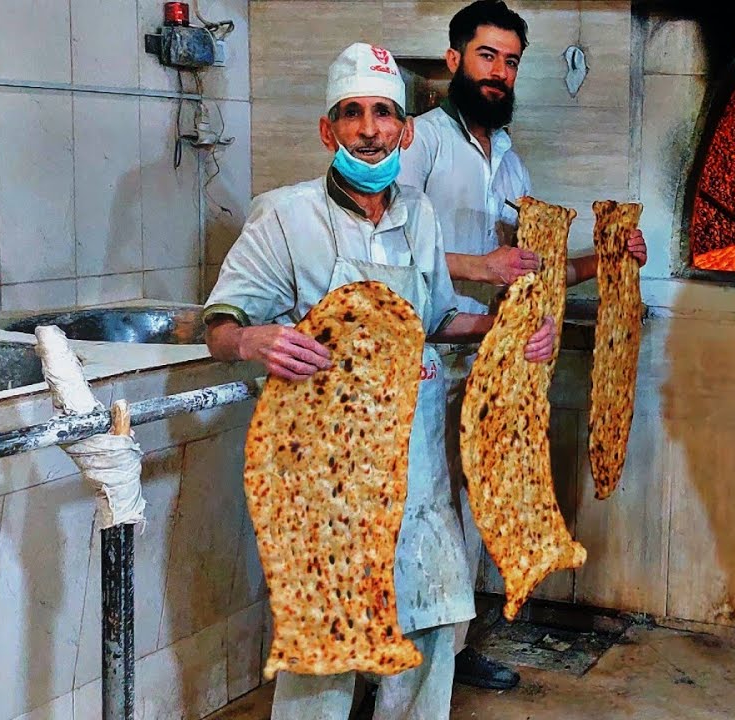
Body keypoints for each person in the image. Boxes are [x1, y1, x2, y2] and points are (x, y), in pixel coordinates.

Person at [202, 42, 556, 720]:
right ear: (327, 129)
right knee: (325, 648)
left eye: (384, 113)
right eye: (353, 113)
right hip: (326, 479)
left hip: (416, 466)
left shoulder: (419, 217)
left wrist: (507, 333)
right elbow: (219, 322)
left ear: (404, 129)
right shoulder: (285, 215)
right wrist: (252, 338)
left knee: (428, 630)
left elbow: (440, 318)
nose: (370, 129)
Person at [397, 0, 648, 690]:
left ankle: (456, 646)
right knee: (425, 514)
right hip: (423, 357)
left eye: (510, 61)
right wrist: (478, 267)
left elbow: (535, 268)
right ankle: (404, 668)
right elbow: (383, 249)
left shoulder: (508, 162)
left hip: (493, 358)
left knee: (481, 505)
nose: (499, 72)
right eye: (486, 56)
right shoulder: (417, 143)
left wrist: (607, 259)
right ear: (454, 60)